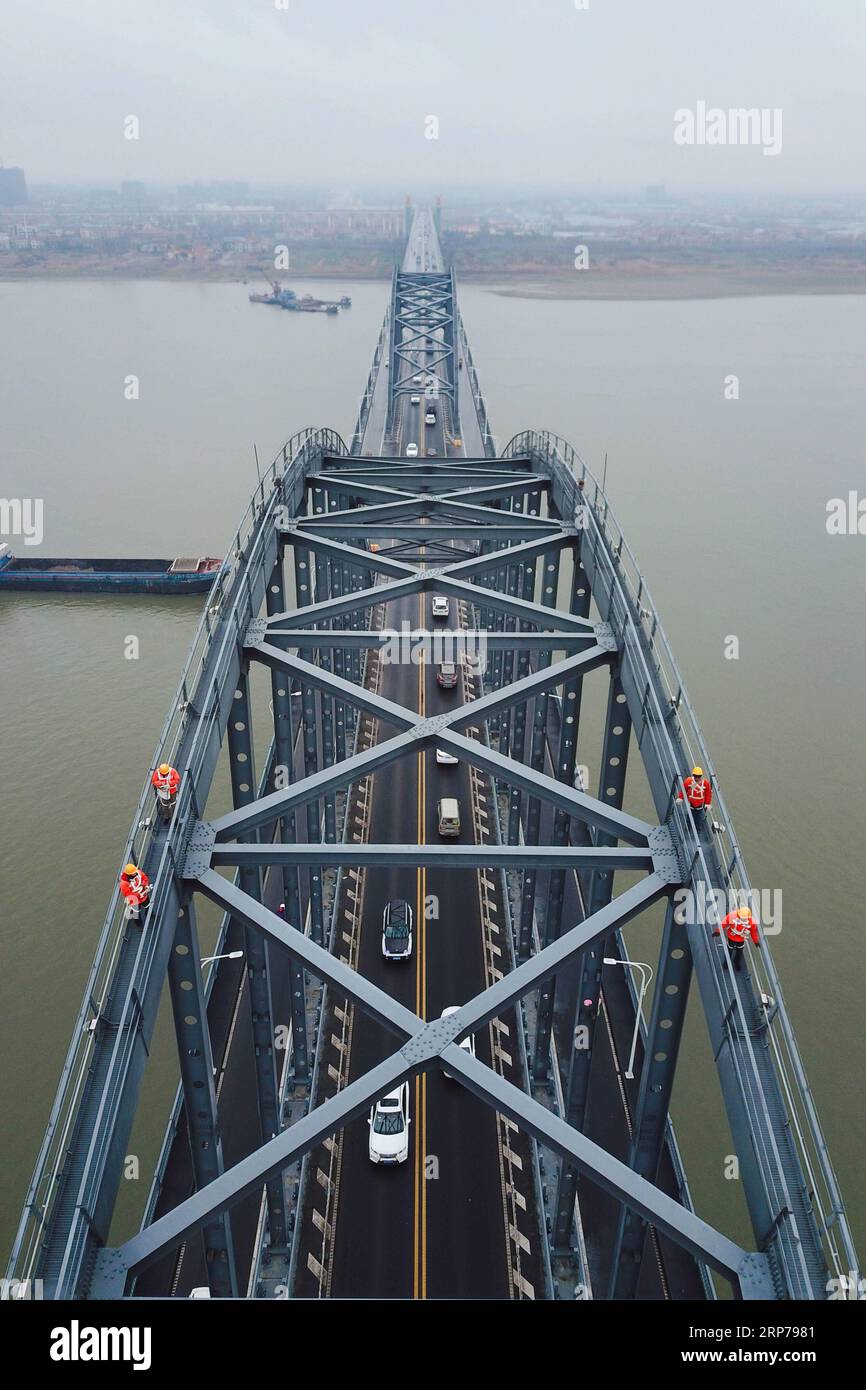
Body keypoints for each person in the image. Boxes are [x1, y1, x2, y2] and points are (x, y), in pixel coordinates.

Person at [714, 905, 760, 972]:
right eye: (741, 918)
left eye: (745, 918)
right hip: (731, 937)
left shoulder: (751, 922)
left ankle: (736, 962)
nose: (743, 920)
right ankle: (727, 962)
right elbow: (724, 923)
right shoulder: (732, 916)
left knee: (739, 951)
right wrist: (718, 931)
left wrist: (756, 941)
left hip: (741, 939)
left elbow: (753, 932)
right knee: (729, 950)